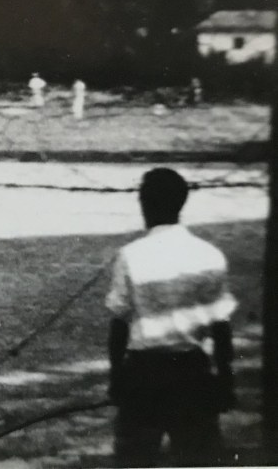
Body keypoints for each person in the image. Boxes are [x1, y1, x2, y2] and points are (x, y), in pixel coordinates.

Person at [106, 168, 237, 467]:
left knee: (134, 460)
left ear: (143, 204)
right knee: (199, 459)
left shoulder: (130, 255)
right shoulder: (209, 254)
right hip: (192, 374)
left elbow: (119, 323)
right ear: (181, 203)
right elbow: (221, 325)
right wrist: (226, 380)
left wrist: (116, 377)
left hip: (144, 377)